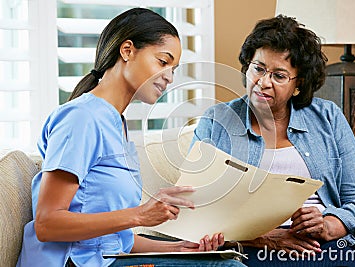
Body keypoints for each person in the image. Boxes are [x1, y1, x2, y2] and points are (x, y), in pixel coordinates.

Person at [17, 8, 245, 267]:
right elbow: (47, 224)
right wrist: (140, 215)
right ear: (127, 50)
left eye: (174, 69)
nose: (169, 77)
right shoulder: (82, 118)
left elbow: (117, 241)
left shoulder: (117, 125)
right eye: (163, 62)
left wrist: (181, 249)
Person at [191, 15, 355, 267]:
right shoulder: (216, 121)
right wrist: (263, 238)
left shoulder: (328, 117)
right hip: (252, 249)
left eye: (279, 76)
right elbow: (196, 209)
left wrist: (328, 225)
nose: (263, 83)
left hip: (325, 244)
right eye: (258, 69)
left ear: (298, 84)